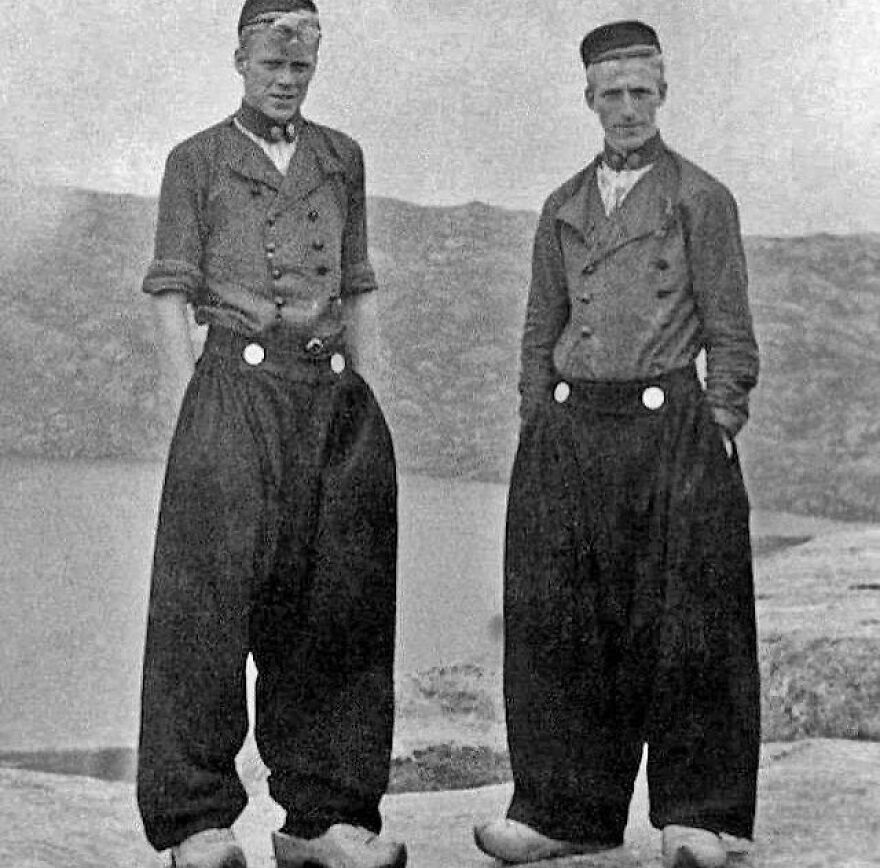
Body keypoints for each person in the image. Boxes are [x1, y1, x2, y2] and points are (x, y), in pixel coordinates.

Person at [474, 20, 760, 868]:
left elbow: (732, 337)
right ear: (589, 99)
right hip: (570, 433)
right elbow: (538, 331)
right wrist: (537, 420)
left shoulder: (701, 199)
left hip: (668, 428)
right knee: (558, 624)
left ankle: (698, 817)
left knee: (689, 625)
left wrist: (718, 427)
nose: (627, 108)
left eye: (642, 92)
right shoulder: (562, 206)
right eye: (611, 94)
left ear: (663, 93)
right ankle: (563, 809)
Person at [136, 2, 406, 867]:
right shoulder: (198, 161)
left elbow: (357, 285)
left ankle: (320, 820)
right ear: (241, 61)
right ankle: (198, 823)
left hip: (327, 398)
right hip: (233, 392)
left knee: (336, 607)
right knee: (207, 606)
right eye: (271, 65)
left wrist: (370, 394)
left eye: (300, 66)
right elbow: (170, 294)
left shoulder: (341, 159)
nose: (286, 80)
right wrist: (196, 409)